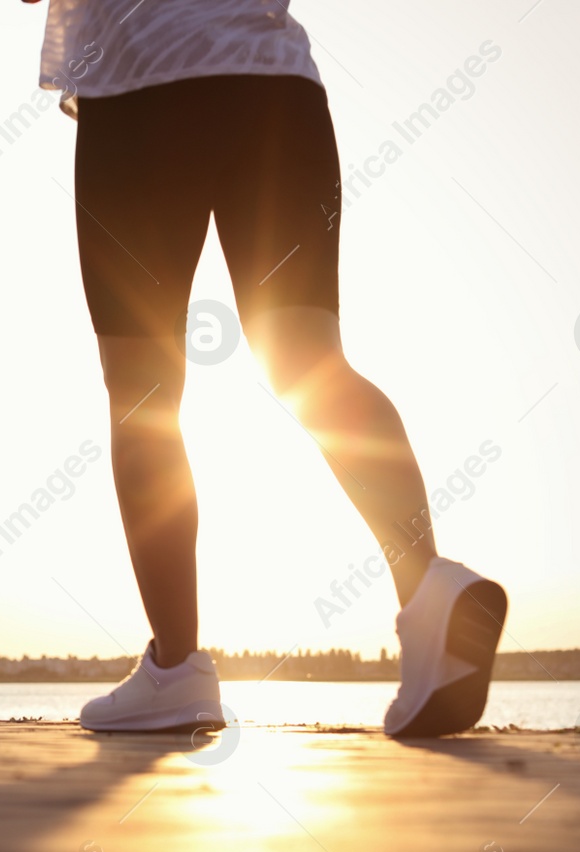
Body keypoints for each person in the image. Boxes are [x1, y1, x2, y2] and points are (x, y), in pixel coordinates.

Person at [31, 0, 508, 738]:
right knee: (308, 360)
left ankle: (176, 668)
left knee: (144, 390)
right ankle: (429, 585)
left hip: (142, 88)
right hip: (278, 88)